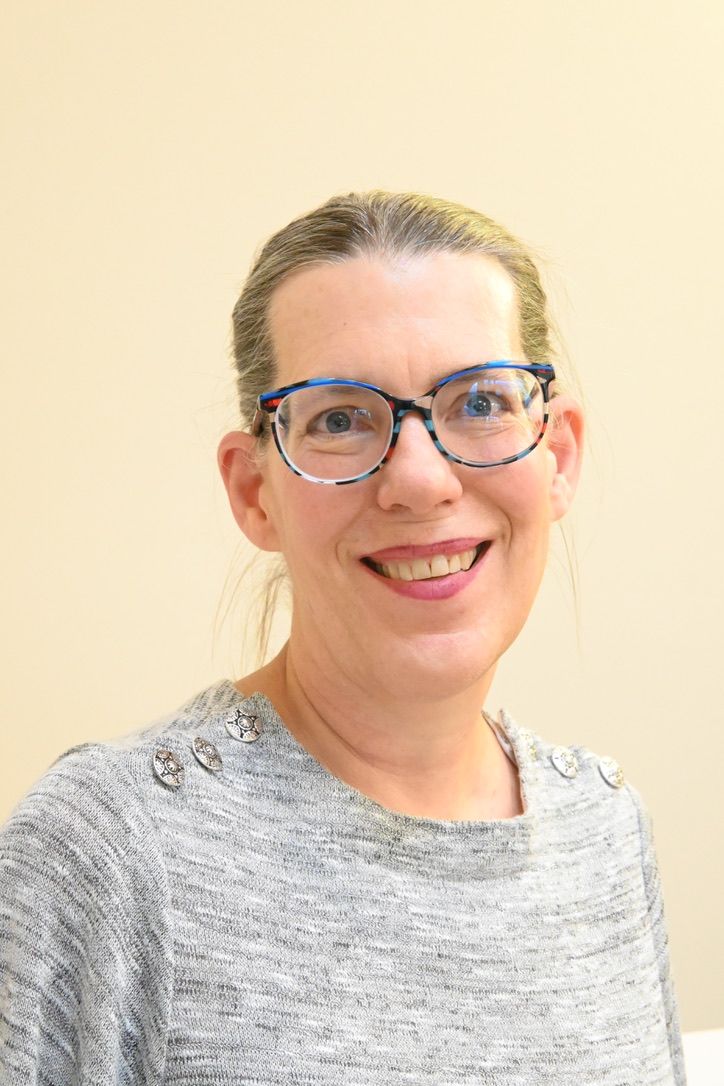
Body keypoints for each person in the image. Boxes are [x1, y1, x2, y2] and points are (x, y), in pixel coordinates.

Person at [0, 192, 685, 1084]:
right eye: (338, 418)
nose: (420, 478)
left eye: (479, 400)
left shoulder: (605, 827)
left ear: (556, 456)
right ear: (254, 492)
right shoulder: (110, 850)